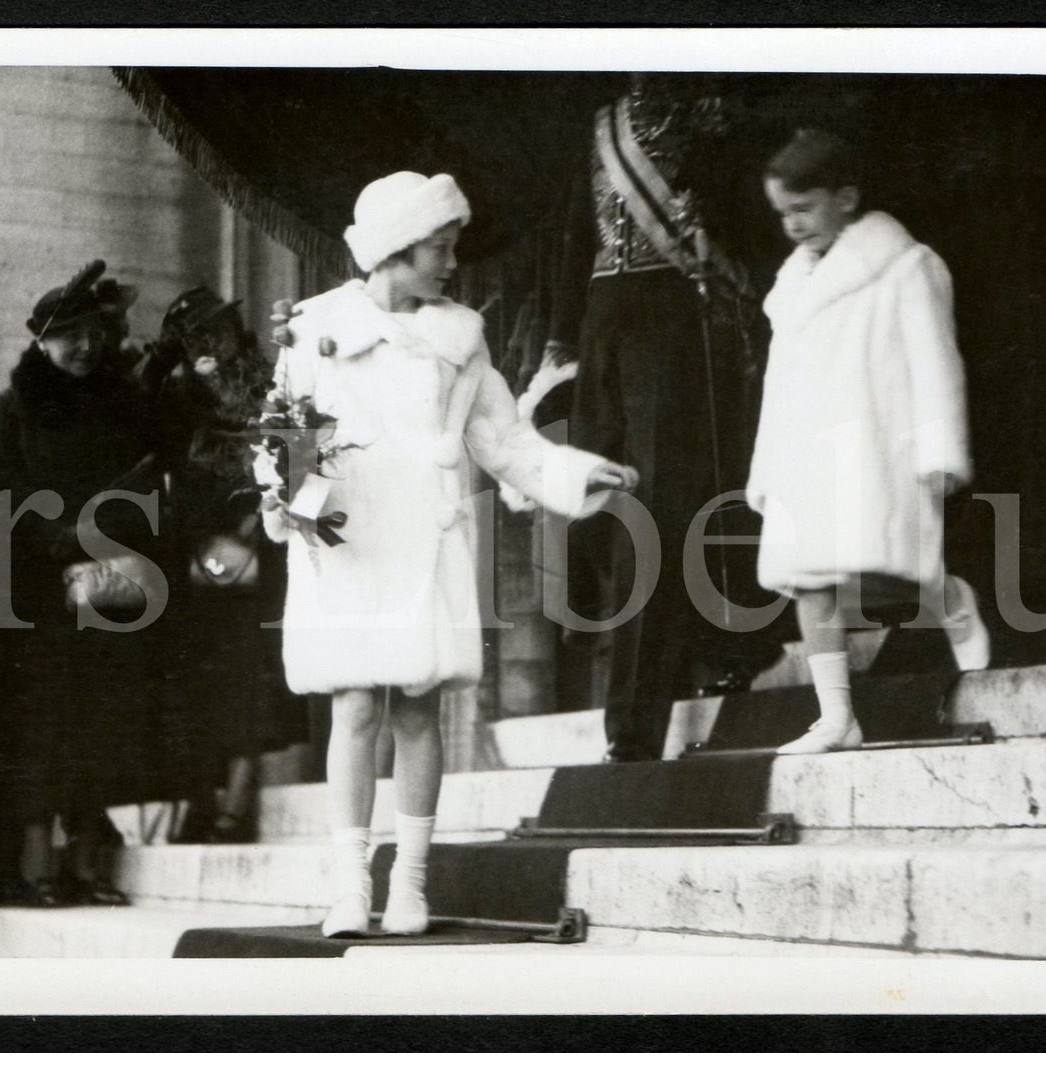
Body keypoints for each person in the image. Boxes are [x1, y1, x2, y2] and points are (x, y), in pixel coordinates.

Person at [261, 172, 637, 937]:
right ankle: (348, 889)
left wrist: (574, 472)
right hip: (350, 541)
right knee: (356, 705)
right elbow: (278, 434)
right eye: (439, 247)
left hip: (422, 539)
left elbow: (503, 439)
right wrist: (287, 492)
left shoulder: (458, 336)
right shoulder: (310, 328)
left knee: (419, 708)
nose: (450, 262)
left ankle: (411, 884)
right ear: (397, 248)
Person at [545, 73, 791, 762]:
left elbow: (748, 235)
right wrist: (559, 341)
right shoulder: (602, 125)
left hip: (678, 333)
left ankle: (637, 723)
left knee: (653, 516)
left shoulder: (715, 124)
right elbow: (574, 237)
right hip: (602, 334)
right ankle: (722, 644)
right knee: (597, 509)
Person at [749, 129, 990, 755]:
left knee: (885, 570)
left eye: (803, 209)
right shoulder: (791, 289)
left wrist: (941, 450)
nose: (793, 225)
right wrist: (767, 468)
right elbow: (778, 384)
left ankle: (950, 597)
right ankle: (837, 719)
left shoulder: (906, 265)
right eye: (783, 214)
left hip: (875, 448)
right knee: (808, 578)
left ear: (846, 196)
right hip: (806, 455)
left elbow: (937, 362)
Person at [0, 261, 163, 905]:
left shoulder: (124, 398)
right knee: (44, 725)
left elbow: (146, 478)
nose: (85, 346)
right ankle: (39, 867)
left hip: (110, 582)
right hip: (40, 591)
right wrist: (57, 540)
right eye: (69, 336)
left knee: (103, 720)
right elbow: (3, 488)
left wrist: (102, 535)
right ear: (41, 341)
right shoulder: (18, 404)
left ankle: (88, 866)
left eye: (93, 332)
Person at [156, 285, 299, 843]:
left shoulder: (268, 384)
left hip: (258, 548)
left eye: (215, 331)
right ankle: (197, 802)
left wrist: (254, 534)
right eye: (194, 339)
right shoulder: (177, 399)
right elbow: (160, 469)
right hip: (192, 555)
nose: (208, 346)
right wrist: (195, 545)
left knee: (251, 682)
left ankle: (235, 807)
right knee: (193, 680)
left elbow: (295, 462)